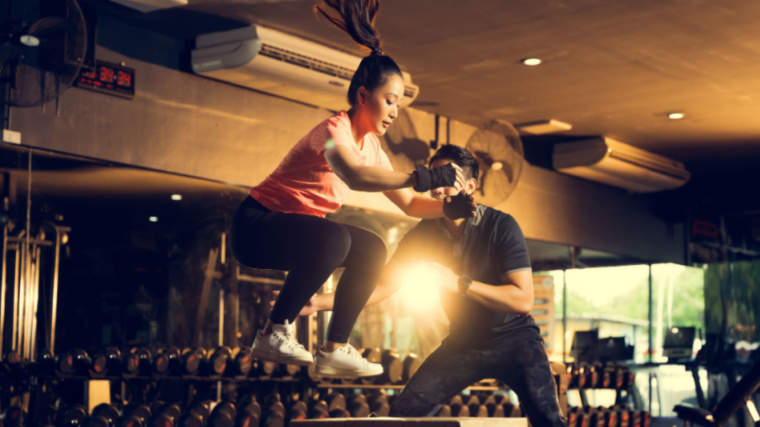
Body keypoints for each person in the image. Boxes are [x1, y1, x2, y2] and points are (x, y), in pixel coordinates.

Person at [228, 0, 475, 378]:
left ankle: (334, 348)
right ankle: (273, 332)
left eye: (399, 104)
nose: (394, 111)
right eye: (389, 101)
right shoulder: (331, 134)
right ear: (363, 96)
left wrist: (447, 210)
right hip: (255, 227)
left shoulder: (371, 147)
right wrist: (424, 177)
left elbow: (409, 204)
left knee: (373, 247)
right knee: (336, 239)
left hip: (294, 233)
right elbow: (355, 175)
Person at [293, 145, 567, 426]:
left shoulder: (501, 226)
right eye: (435, 179)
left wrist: (460, 284)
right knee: (401, 415)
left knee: (548, 421)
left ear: (470, 186)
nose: (438, 189)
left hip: (516, 340)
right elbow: (384, 285)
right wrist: (318, 303)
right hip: (464, 342)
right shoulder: (423, 234)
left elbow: (522, 301)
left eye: (448, 179)